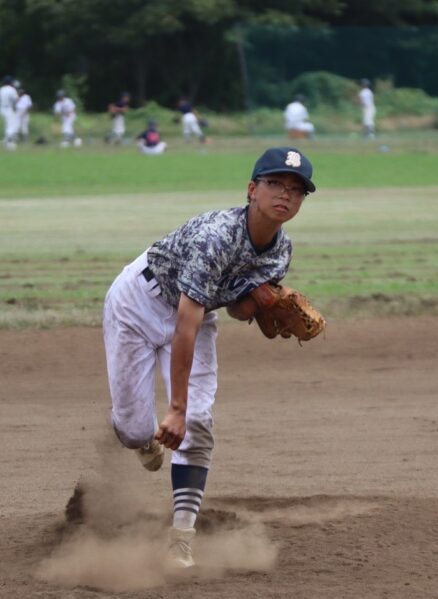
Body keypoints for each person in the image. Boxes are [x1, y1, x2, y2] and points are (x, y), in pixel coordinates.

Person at [101, 146, 317, 573]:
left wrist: (254, 302)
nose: (285, 195)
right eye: (275, 184)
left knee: (198, 423)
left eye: (296, 190)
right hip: (138, 304)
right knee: (137, 428)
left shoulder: (280, 251)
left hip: (194, 314)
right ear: (252, 189)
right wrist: (174, 408)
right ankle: (137, 434)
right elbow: (186, 322)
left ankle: (180, 540)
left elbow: (235, 308)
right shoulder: (216, 237)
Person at [0, 75, 19, 150]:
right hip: (8, 108)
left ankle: (5, 140)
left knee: (8, 125)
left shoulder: (1, 89)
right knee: (11, 126)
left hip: (1, 108)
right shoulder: (12, 89)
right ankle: (9, 143)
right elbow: (16, 100)